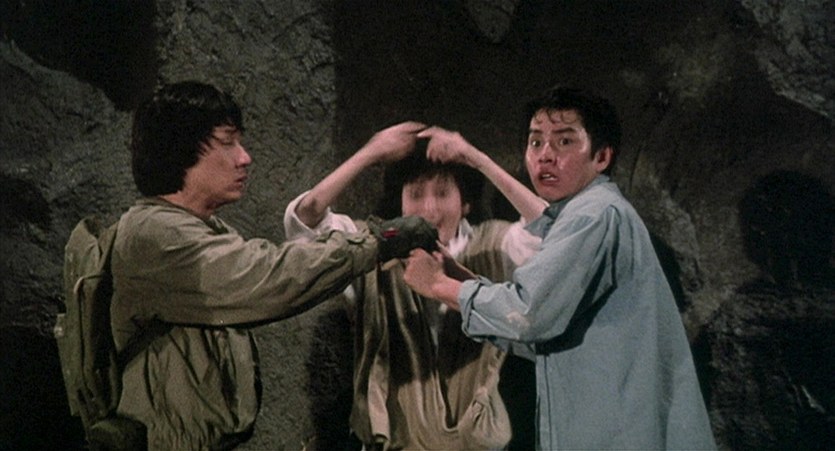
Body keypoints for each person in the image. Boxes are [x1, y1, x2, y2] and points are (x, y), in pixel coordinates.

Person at [110, 81, 433, 450]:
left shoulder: (194, 228)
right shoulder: (156, 236)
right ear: (179, 149)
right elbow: (270, 276)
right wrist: (378, 240)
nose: (244, 157)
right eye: (228, 142)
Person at [404, 86, 717, 450]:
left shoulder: (594, 215)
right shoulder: (588, 213)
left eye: (564, 142)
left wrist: (438, 285)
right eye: (536, 142)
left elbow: (529, 314)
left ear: (601, 157)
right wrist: (460, 279)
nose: (545, 156)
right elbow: (542, 333)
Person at [283, 123, 546, 449]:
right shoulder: (370, 249)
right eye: (416, 194)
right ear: (400, 202)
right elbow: (305, 222)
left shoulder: (493, 246)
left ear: (465, 202)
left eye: (443, 193)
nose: (430, 209)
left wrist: (476, 158)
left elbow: (554, 234)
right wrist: (371, 152)